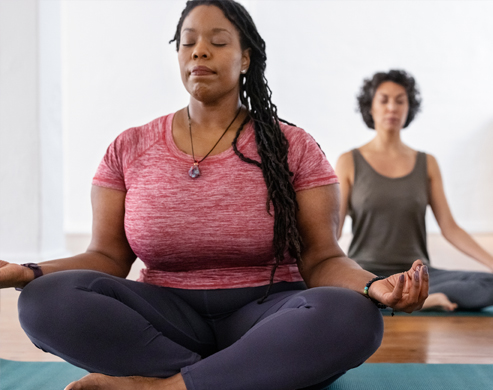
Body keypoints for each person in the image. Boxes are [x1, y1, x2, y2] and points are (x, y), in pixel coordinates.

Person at [0, 4, 427, 390]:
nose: (199, 51)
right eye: (188, 42)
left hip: (267, 314)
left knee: (352, 317)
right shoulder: (129, 147)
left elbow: (322, 259)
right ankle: (235, 376)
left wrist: (373, 287)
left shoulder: (293, 147)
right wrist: (26, 272)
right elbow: (106, 258)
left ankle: (165, 387)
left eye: (217, 42)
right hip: (165, 318)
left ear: (245, 59)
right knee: (43, 303)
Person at [335, 69, 493, 313]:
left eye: (400, 101)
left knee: (487, 284)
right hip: (366, 274)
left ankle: (409, 298)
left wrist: (491, 263)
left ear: (409, 108)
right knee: (333, 289)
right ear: (370, 107)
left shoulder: (427, 163)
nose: (392, 108)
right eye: (384, 100)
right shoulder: (348, 161)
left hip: (418, 276)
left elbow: (450, 228)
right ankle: (414, 300)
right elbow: (332, 230)